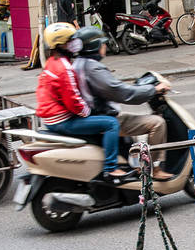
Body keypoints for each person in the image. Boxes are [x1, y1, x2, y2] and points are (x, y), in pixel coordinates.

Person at [72, 27, 175, 181]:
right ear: (95, 46)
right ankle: (153, 169)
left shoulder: (78, 63)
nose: (105, 46)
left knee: (133, 124)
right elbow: (122, 93)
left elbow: (114, 87)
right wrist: (153, 90)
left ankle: (135, 166)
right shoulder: (93, 68)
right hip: (103, 117)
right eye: (103, 43)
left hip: (93, 115)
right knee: (157, 123)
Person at [36, 22, 133, 185]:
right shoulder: (64, 67)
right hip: (63, 120)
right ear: (62, 44)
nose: (75, 44)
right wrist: (91, 111)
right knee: (110, 124)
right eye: (71, 41)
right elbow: (74, 101)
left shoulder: (51, 62)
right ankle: (111, 168)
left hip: (51, 119)